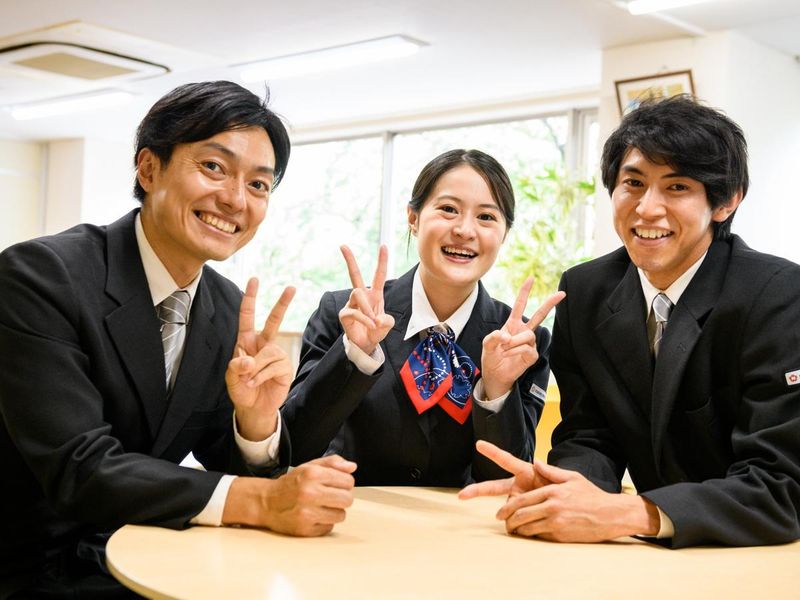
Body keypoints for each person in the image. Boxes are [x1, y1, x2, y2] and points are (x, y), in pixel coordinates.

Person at [0, 81, 355, 597]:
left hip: (146, 551)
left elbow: (225, 465)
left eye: (258, 184)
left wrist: (255, 423)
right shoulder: (42, 275)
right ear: (149, 169)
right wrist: (262, 501)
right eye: (213, 167)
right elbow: (81, 468)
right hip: (31, 566)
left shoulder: (225, 306)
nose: (235, 199)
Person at [460, 95, 800, 548]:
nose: (647, 208)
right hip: (643, 556)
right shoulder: (586, 290)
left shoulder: (778, 294)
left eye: (677, 187)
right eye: (633, 183)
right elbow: (589, 436)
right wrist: (564, 487)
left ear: (726, 202)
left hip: (760, 554)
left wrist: (629, 512)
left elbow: (780, 488)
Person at [283, 149, 563, 486]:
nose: (465, 230)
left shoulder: (523, 343)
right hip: (348, 510)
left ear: (504, 234)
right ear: (413, 219)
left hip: (458, 520)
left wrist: (497, 391)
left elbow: (507, 480)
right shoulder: (344, 313)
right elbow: (294, 447)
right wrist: (354, 355)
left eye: (486, 217)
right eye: (448, 209)